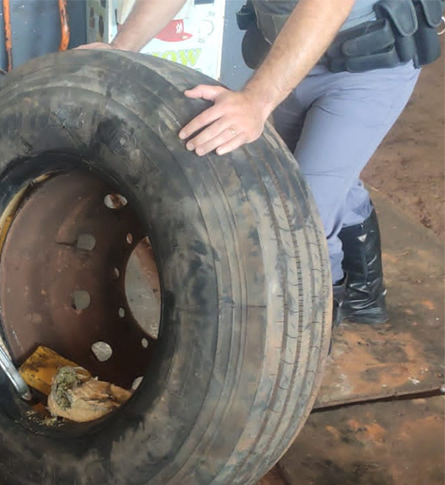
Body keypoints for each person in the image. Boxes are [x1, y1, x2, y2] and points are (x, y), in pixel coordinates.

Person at [82, 0, 442, 325]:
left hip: (368, 63)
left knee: (305, 215)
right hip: (293, 59)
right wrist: (119, 50)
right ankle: (365, 297)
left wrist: (257, 99)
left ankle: (305, 354)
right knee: (324, 172)